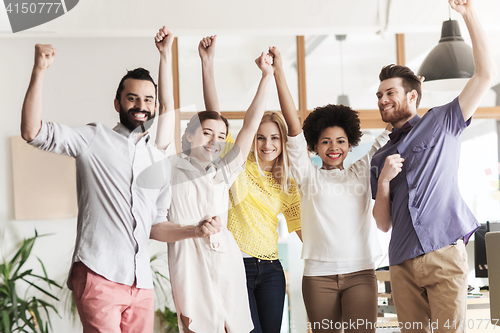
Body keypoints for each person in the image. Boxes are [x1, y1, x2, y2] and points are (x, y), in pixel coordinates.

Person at [20, 29, 221, 333]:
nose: (141, 105)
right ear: (117, 103)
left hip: (140, 284)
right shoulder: (93, 139)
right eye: (132, 98)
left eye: (147, 100)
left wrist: (194, 229)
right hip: (98, 273)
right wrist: (38, 71)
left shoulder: (157, 158)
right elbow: (32, 131)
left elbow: (156, 225)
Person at [370, 1, 496, 332]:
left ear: (413, 96)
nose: (382, 100)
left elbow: (486, 74)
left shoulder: (443, 121)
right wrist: (383, 182)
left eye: (390, 92)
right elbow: (382, 224)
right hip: (401, 262)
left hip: (444, 253)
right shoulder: (378, 158)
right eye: (379, 95)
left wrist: (468, 14)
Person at [154, 29, 274, 333]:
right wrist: (165, 55)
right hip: (189, 266)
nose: (215, 141)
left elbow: (250, 125)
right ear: (190, 135)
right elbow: (167, 109)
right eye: (207, 133)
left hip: (227, 263)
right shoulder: (170, 164)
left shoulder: (224, 171)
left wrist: (266, 76)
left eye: (221, 136)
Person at [269, 46, 391, 333]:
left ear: (350, 144)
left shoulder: (362, 170)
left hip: (361, 272)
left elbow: (392, 130)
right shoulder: (307, 175)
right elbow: (293, 128)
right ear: (314, 146)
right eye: (325, 141)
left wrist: (412, 95)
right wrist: (278, 74)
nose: (333, 147)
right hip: (317, 276)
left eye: (340, 141)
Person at [197, 35, 303, 333]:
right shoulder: (237, 164)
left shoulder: (289, 184)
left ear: (283, 142)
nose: (267, 144)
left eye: (274, 138)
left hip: (271, 269)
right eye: (260, 137)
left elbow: (303, 233)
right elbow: (214, 117)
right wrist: (207, 64)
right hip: (236, 266)